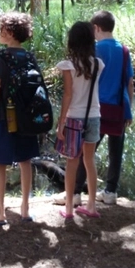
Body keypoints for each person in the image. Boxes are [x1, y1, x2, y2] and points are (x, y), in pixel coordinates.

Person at [54, 10, 133, 207]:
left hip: (94, 107)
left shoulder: (94, 51)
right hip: (117, 107)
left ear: (96, 28)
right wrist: (128, 109)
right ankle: (110, 192)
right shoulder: (124, 50)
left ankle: (75, 193)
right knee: (116, 152)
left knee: (81, 154)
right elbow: (129, 82)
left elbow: (76, 87)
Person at [0, 12, 38, 226]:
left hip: (5, 117)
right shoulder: (30, 57)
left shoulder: (1, 57)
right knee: (25, 161)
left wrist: (8, 104)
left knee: (0, 163)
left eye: (0, 29)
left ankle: (0, 213)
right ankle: (25, 210)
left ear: (8, 32)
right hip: (27, 119)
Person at [55, 21, 104, 220]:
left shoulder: (68, 66)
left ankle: (68, 208)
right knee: (89, 161)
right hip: (94, 116)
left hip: (74, 118)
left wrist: (61, 122)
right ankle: (91, 206)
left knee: (72, 163)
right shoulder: (99, 64)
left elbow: (68, 95)